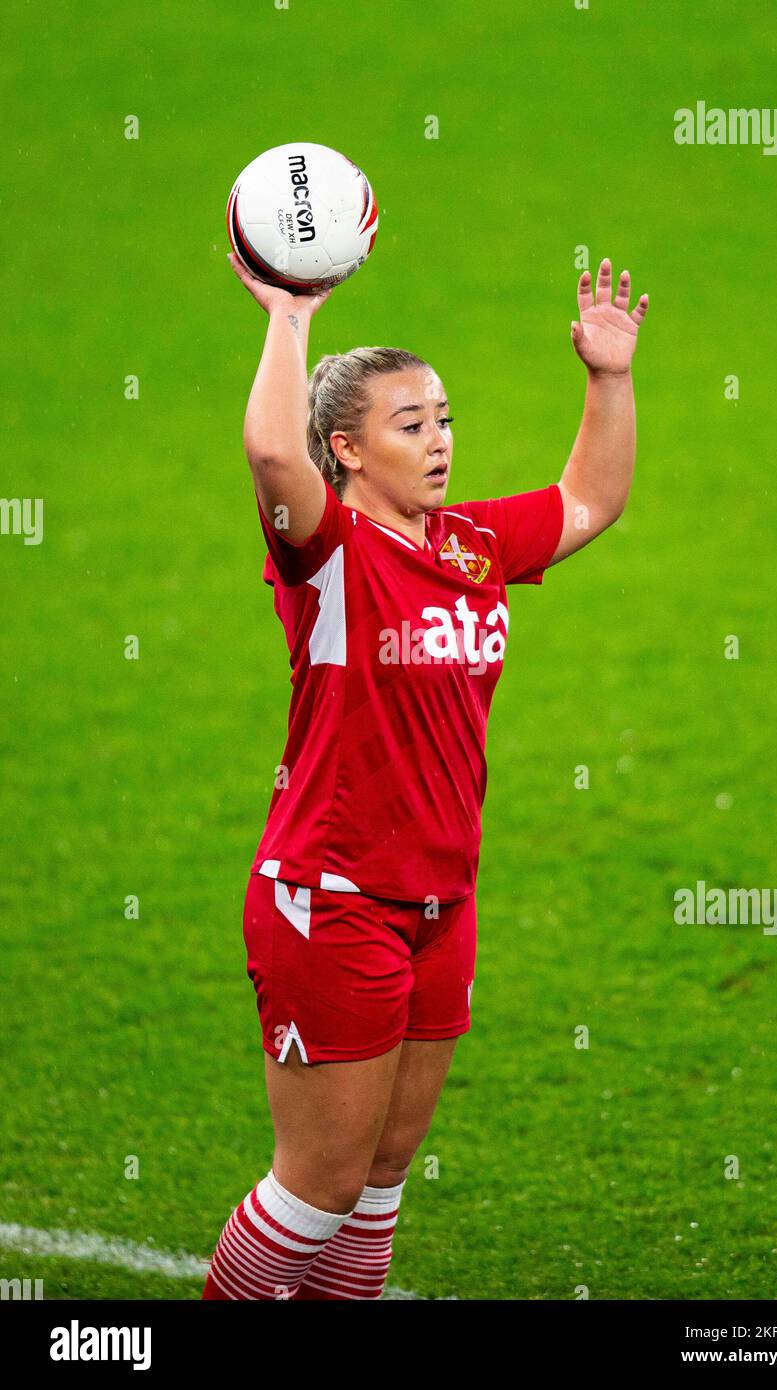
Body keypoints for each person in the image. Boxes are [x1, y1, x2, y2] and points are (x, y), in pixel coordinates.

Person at [201, 253, 649, 1300]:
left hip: (442, 903)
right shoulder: (327, 549)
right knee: (316, 1186)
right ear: (347, 449)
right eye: (411, 424)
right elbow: (272, 447)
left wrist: (607, 378)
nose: (441, 439)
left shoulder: (473, 545)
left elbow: (589, 500)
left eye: (443, 416)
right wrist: (289, 313)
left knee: (380, 1181)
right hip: (333, 898)